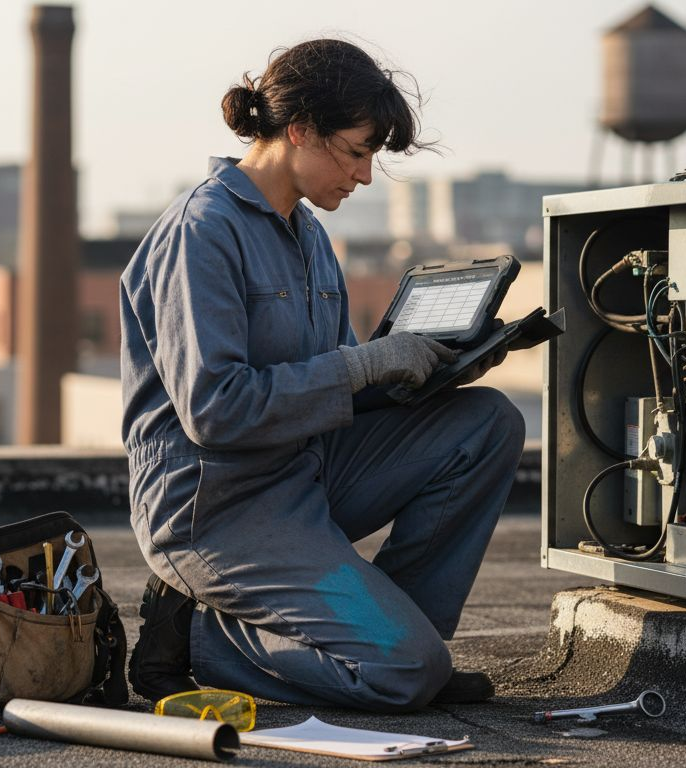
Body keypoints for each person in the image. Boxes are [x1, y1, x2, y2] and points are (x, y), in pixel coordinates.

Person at [119, 38, 524, 712]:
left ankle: (402, 639)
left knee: (486, 423)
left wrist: (434, 372)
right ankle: (196, 639)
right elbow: (216, 409)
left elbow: (335, 392)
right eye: (358, 150)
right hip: (217, 509)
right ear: (300, 128)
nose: (365, 175)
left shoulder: (308, 237)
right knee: (404, 673)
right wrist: (361, 362)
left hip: (302, 473)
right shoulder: (203, 232)